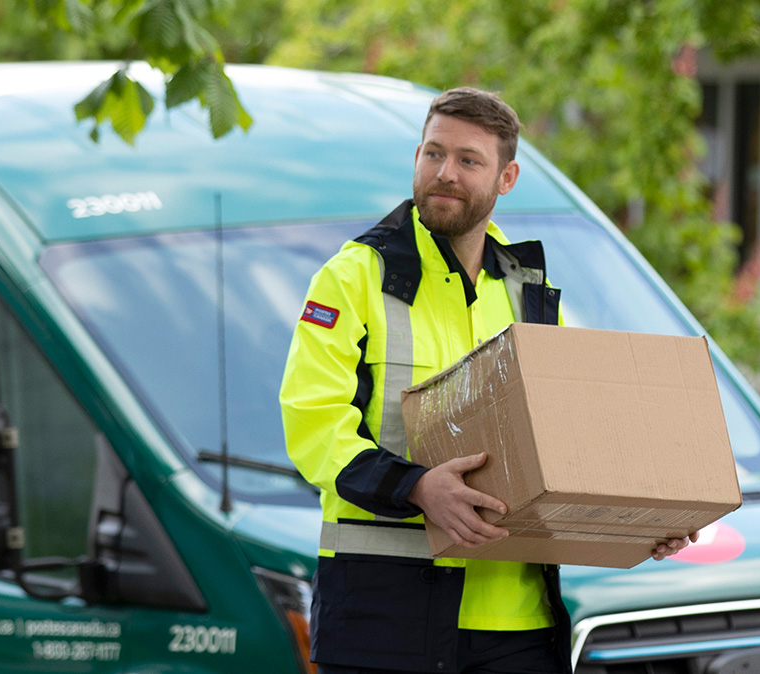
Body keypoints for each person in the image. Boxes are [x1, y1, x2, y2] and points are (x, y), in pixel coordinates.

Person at [279, 87, 695, 674]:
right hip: (383, 618)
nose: (444, 173)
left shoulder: (528, 291)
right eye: (432, 154)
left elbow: (570, 439)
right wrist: (417, 487)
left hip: (517, 627)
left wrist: (640, 522)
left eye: (468, 160)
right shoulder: (352, 277)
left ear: (507, 177)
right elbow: (312, 422)